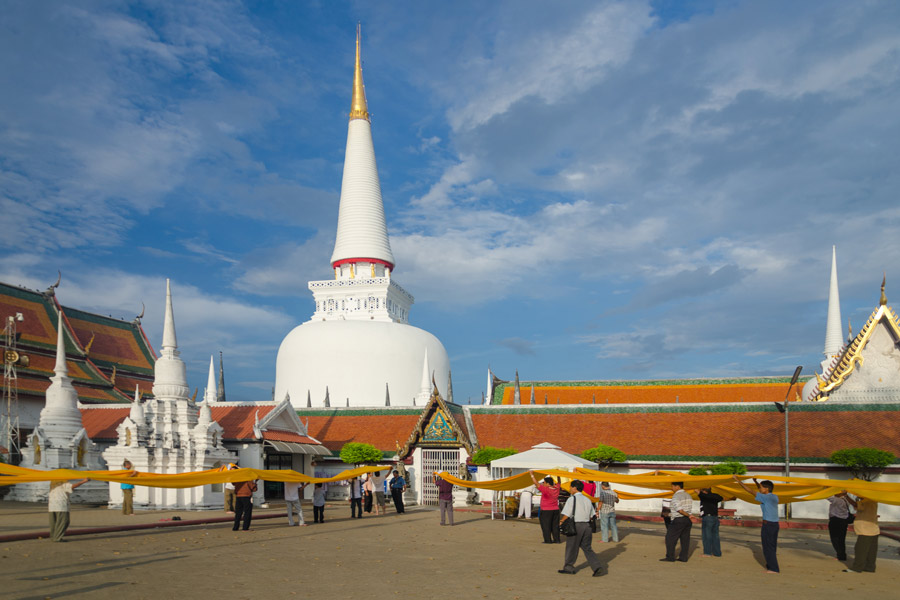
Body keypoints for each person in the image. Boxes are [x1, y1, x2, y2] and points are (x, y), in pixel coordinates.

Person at [558, 480, 604, 577]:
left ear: (575, 488)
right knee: (587, 548)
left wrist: (561, 521)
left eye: (571, 487)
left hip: (576, 525)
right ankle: (597, 566)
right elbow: (592, 515)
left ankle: (568, 567)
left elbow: (567, 513)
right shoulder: (587, 499)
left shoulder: (572, 499)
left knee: (571, 547)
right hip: (586, 526)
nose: (570, 489)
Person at [734, 475, 779, 573]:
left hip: (768, 525)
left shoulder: (765, 498)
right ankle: (771, 565)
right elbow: (760, 490)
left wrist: (738, 481)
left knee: (767, 546)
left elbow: (750, 491)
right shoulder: (774, 496)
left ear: (766, 489)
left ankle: (773, 568)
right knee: (772, 546)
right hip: (774, 525)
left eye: (761, 487)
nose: (760, 489)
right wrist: (756, 482)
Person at [661, 481, 693, 562]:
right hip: (687, 521)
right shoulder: (688, 495)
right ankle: (683, 557)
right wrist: (688, 515)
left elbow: (680, 510)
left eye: (672, 486)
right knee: (685, 540)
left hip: (679, 519)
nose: (672, 488)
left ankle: (670, 557)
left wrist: (687, 515)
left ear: (677, 487)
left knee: (670, 538)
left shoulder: (676, 496)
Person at [845, 495, 878, 573]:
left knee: (860, 549)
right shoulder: (873, 499)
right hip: (873, 529)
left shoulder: (866, 501)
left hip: (866, 530)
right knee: (871, 551)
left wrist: (846, 496)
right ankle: (870, 567)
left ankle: (857, 567)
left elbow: (856, 505)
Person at [529, 470, 561, 544]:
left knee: (546, 525)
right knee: (555, 525)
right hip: (555, 509)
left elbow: (536, 483)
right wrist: (558, 475)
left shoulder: (546, 489)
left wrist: (532, 475)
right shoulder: (557, 488)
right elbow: (559, 482)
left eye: (544, 482)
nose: (543, 483)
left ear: (547, 483)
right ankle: (557, 540)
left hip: (546, 510)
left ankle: (548, 540)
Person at [827, 490, 854, 561]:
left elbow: (826, 495)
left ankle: (840, 555)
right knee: (841, 539)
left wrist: (826, 488)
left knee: (834, 538)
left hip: (835, 521)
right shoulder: (845, 500)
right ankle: (842, 555)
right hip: (843, 521)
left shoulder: (835, 500)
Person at [698, 487, 724, 557]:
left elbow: (703, 495)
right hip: (714, 518)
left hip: (708, 518)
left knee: (707, 535)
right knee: (715, 536)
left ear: (704, 491)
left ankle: (707, 552)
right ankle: (717, 552)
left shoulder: (705, 496)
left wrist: (700, 493)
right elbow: (720, 498)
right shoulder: (714, 496)